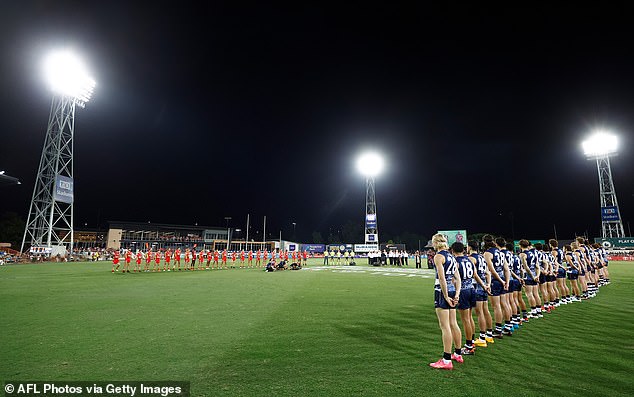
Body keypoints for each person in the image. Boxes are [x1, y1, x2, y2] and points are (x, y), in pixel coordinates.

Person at [429, 234, 463, 370]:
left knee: (445, 327)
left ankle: (446, 360)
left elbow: (442, 279)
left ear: (436, 243)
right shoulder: (452, 257)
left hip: (442, 292)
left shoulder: (438, 256)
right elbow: (458, 279)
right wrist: (457, 294)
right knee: (453, 323)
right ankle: (458, 353)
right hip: (452, 290)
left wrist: (445, 296)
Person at [483, 235, 512, 338]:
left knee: (496, 306)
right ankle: (508, 327)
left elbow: (491, 270)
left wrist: (501, 281)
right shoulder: (500, 252)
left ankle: (498, 330)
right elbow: (506, 269)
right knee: (505, 303)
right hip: (503, 280)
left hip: (495, 281)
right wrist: (506, 281)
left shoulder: (487, 253)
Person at [453, 242, 477, 355]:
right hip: (471, 288)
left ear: (453, 251)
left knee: (465, 319)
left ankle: (468, 346)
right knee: (469, 317)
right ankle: (471, 342)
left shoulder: (455, 262)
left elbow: (455, 279)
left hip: (463, 291)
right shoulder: (469, 260)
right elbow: (474, 274)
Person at [468, 242, 494, 347]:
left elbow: (473, 275)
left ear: (469, 247)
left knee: (480, 313)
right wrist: (488, 284)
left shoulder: (472, 258)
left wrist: (483, 285)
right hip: (484, 286)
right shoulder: (482, 257)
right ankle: (489, 335)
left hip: (478, 287)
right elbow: (488, 273)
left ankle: (482, 338)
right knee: (485, 310)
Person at [520, 240, 542, 318]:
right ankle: (539, 311)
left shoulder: (522, 254)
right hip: (534, 275)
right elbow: (537, 266)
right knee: (536, 293)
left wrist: (533, 277)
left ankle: (533, 312)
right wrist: (537, 276)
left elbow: (526, 268)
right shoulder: (533, 253)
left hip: (528, 276)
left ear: (520, 246)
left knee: (529, 294)